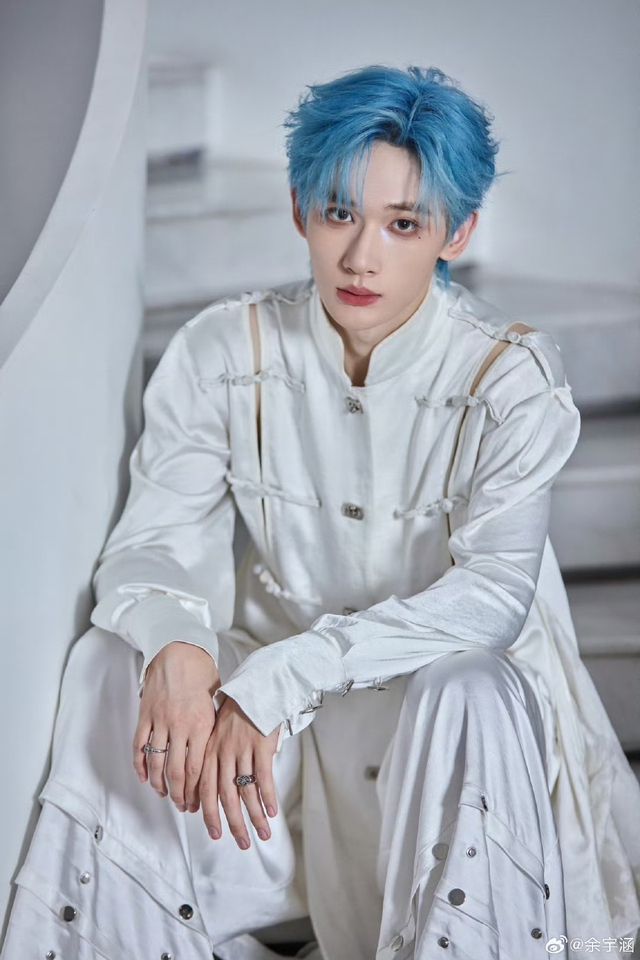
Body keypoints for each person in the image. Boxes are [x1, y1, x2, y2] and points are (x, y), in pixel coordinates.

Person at [3, 65, 640, 960]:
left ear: (457, 231)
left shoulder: (511, 379)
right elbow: (153, 540)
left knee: (468, 685)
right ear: (301, 209)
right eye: (340, 213)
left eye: (403, 223)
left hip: (448, 717)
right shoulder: (223, 349)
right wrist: (177, 643)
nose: (361, 257)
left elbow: (493, 598)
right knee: (116, 657)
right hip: (279, 749)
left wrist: (288, 677)